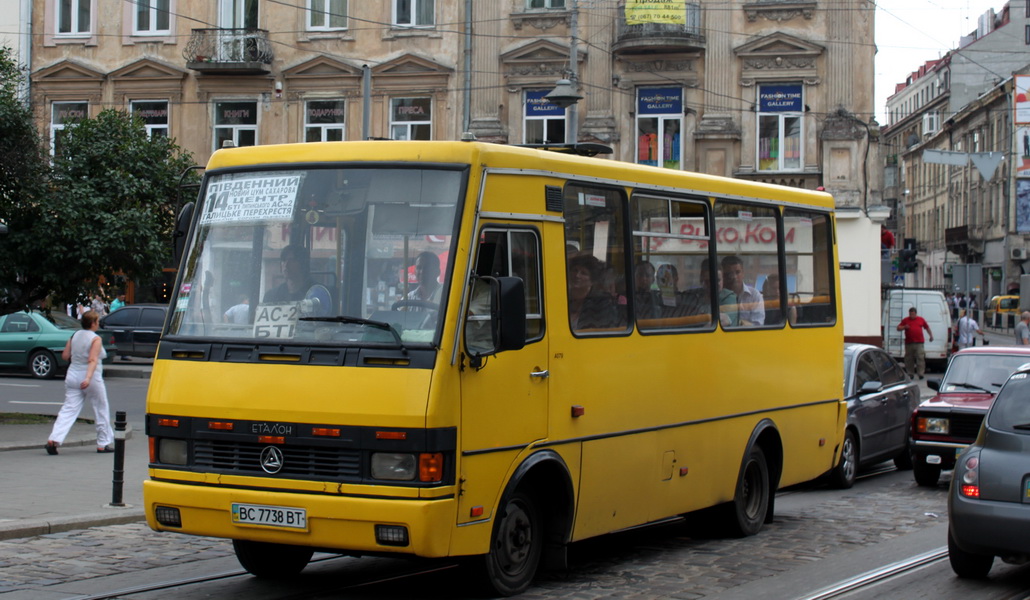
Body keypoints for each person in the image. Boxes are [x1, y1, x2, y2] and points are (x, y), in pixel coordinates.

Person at [44, 310, 114, 455]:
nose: (98, 324)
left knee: (68, 409)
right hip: (90, 376)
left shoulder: (74, 335)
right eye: (97, 321)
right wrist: (88, 378)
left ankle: (54, 439)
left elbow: (65, 355)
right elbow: (93, 360)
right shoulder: (95, 339)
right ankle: (103, 443)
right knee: (101, 408)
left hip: (72, 374)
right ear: (93, 323)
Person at [264, 244, 331, 316]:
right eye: (284, 260)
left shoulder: (320, 293)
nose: (286, 265)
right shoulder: (271, 296)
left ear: (302, 263)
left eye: (291, 260)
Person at [567, 252, 619, 330]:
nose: (577, 275)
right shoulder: (561, 296)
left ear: (592, 281)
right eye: (575, 270)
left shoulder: (601, 302)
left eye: (583, 273)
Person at [721, 255, 765, 326]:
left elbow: (758, 326)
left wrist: (738, 322)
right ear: (723, 275)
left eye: (737, 272)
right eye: (729, 274)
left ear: (743, 273)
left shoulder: (754, 295)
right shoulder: (718, 295)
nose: (734, 277)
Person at [897, 306, 934, 379]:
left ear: (916, 314)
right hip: (909, 343)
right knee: (909, 359)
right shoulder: (905, 320)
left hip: (919, 343)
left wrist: (931, 336)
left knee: (920, 358)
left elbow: (927, 327)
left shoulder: (921, 319)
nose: (912, 316)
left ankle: (920, 373)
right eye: (910, 314)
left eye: (913, 314)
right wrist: (904, 327)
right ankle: (910, 373)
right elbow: (898, 328)